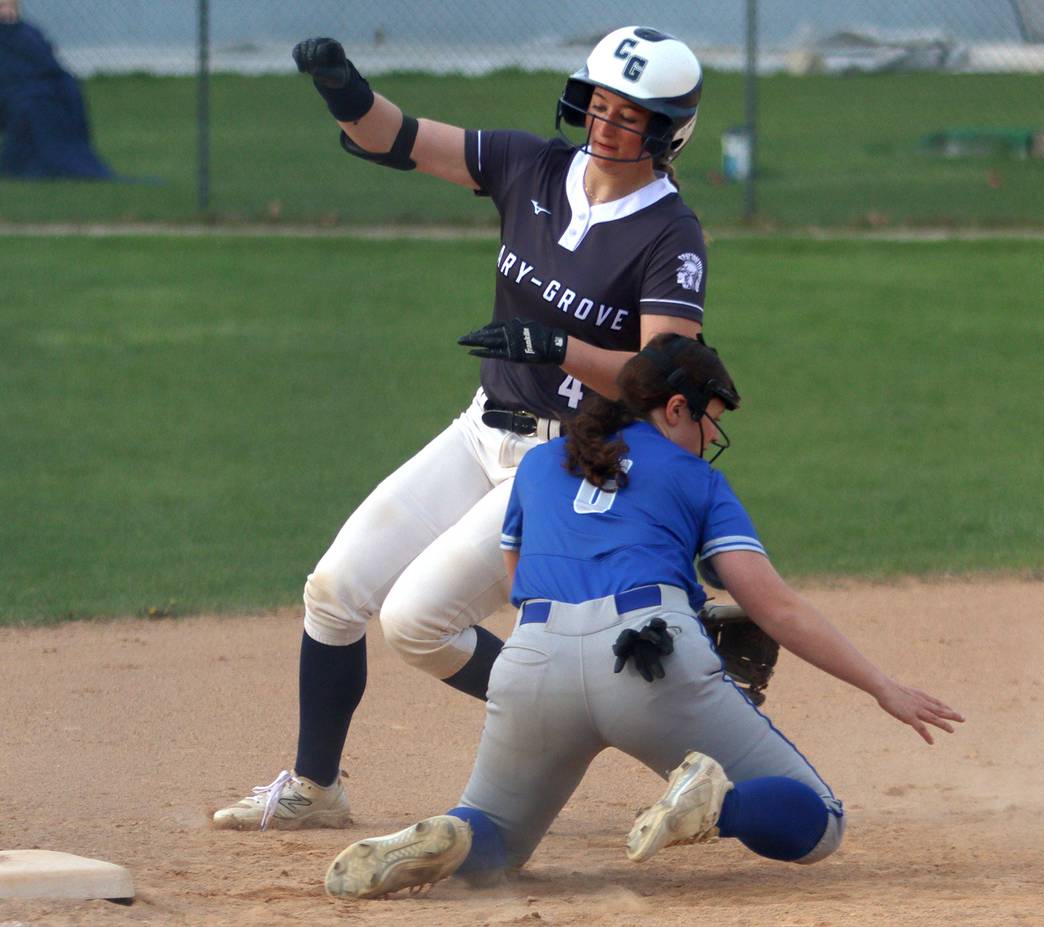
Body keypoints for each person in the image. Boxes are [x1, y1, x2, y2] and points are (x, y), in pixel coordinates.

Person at [213, 27, 713, 830]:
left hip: (566, 462)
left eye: (632, 115)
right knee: (335, 592)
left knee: (417, 623)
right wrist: (342, 88)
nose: (608, 124)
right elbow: (397, 138)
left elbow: (661, 381)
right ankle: (316, 788)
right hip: (480, 430)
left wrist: (559, 348)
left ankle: (679, 744)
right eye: (601, 103)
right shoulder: (534, 166)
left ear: (670, 131)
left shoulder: (670, 233)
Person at [321, 334, 965, 900]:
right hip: (649, 660)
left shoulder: (541, 466)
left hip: (531, 663)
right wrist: (884, 686)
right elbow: (776, 608)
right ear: (674, 407)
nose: (711, 437)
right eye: (708, 419)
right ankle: (719, 804)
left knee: (497, 846)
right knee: (821, 823)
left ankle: (453, 834)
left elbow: (521, 586)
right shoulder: (694, 477)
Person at [0, 0, 113, 180]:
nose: (6, 12)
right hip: (13, 92)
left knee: (64, 93)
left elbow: (47, 64)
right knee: (32, 104)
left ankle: (66, 154)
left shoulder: (27, 33)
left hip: (37, 87)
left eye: (9, 7)